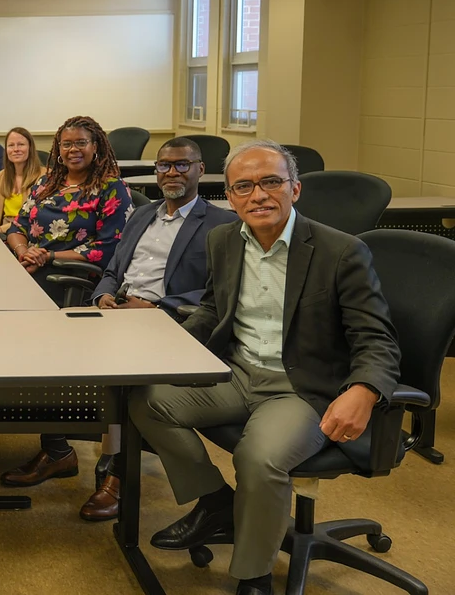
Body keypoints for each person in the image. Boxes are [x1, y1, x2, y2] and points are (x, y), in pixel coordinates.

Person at [131, 140, 400, 595]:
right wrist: (167, 347)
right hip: (237, 372)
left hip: (300, 387)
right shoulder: (223, 240)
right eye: (244, 187)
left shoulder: (341, 252)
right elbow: (213, 311)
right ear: (230, 198)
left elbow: (377, 339)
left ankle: (253, 576)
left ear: (294, 189)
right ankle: (216, 502)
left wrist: (365, 390)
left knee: (257, 458)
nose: (258, 195)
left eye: (271, 182)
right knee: (144, 397)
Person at [76, 137, 239, 522]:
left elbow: (218, 289)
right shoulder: (141, 213)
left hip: (169, 320)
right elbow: (113, 269)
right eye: (164, 165)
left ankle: (116, 470)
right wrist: (103, 296)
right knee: (55, 351)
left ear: (201, 169)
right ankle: (59, 449)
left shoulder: (223, 222)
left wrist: (155, 306)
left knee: (121, 380)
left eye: (182, 165)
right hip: (117, 311)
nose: (172, 172)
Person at [0, 115, 133, 488]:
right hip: (34, 268)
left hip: (78, 281)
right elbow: (17, 227)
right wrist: (26, 249)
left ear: (97, 146)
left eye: (81, 143)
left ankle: (57, 450)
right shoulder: (46, 182)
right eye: (66, 144)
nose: (73, 150)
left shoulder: (111, 189)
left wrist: (49, 257)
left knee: (34, 355)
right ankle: (55, 447)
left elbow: (110, 249)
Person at [0, 126, 43, 234]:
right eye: (11, 145)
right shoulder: (2, 175)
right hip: (2, 231)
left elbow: (34, 217)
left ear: (30, 148)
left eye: (21, 144)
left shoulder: (43, 177)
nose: (16, 149)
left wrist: (1, 229)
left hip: (26, 232)